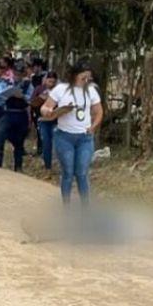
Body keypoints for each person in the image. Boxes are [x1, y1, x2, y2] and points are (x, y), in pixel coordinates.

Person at [42, 62, 102, 205]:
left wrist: (93, 127)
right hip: (64, 137)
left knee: (81, 172)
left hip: (84, 138)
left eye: (89, 77)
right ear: (75, 75)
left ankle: (85, 209)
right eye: (84, 76)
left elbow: (98, 111)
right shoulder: (61, 89)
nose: (87, 79)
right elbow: (46, 107)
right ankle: (66, 207)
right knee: (68, 172)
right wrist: (49, 112)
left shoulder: (92, 91)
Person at [30, 72, 58, 170]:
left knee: (55, 142)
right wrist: (41, 98)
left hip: (55, 120)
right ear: (45, 80)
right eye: (49, 81)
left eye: (53, 82)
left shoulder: (58, 91)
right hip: (42, 119)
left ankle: (54, 164)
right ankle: (47, 165)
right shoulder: (39, 89)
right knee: (45, 142)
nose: (51, 83)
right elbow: (32, 102)